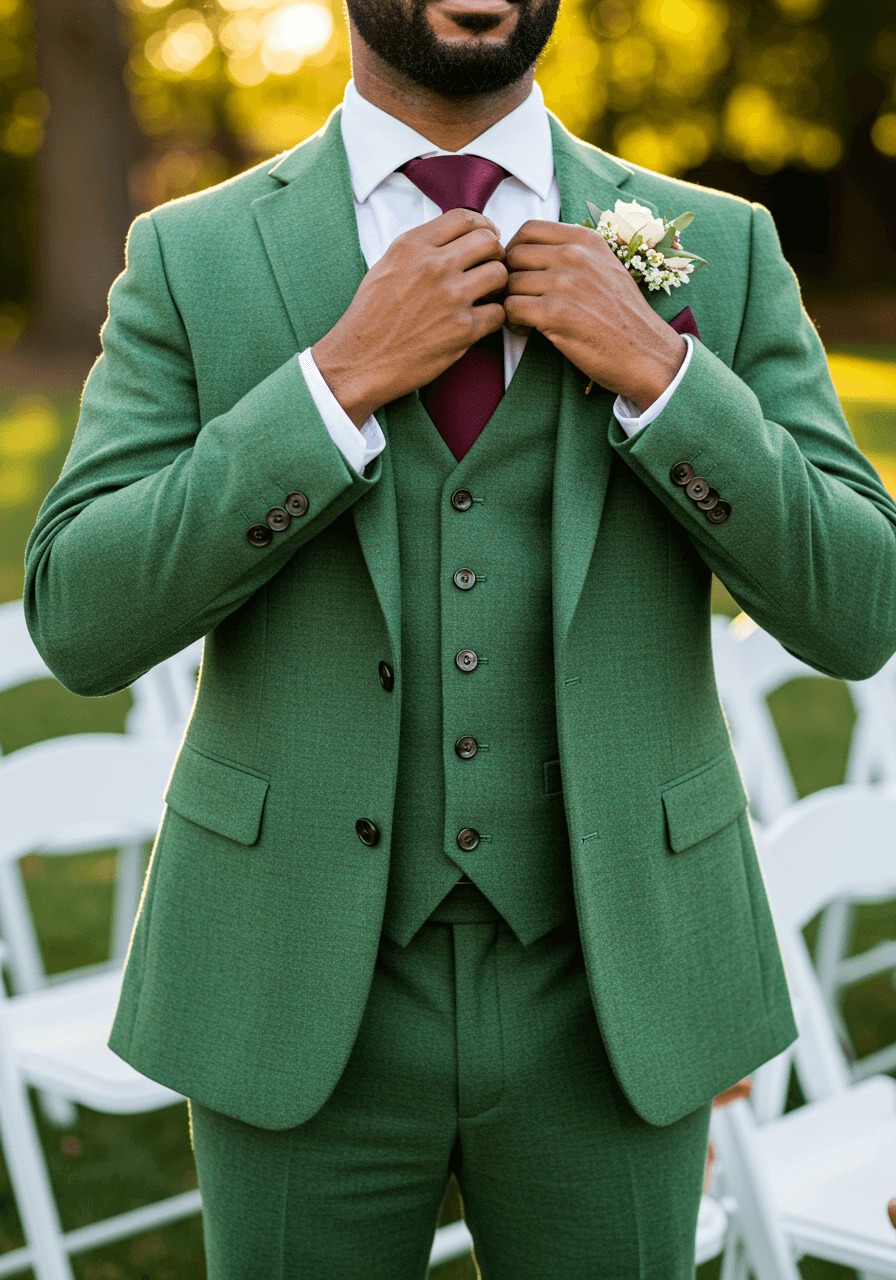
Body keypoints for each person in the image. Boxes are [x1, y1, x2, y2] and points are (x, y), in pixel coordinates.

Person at [25, 0, 896, 1273]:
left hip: (613, 983)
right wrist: (330, 388)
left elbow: (857, 604)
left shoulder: (718, 244)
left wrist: (661, 375)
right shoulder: (190, 256)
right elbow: (80, 616)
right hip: (290, 970)